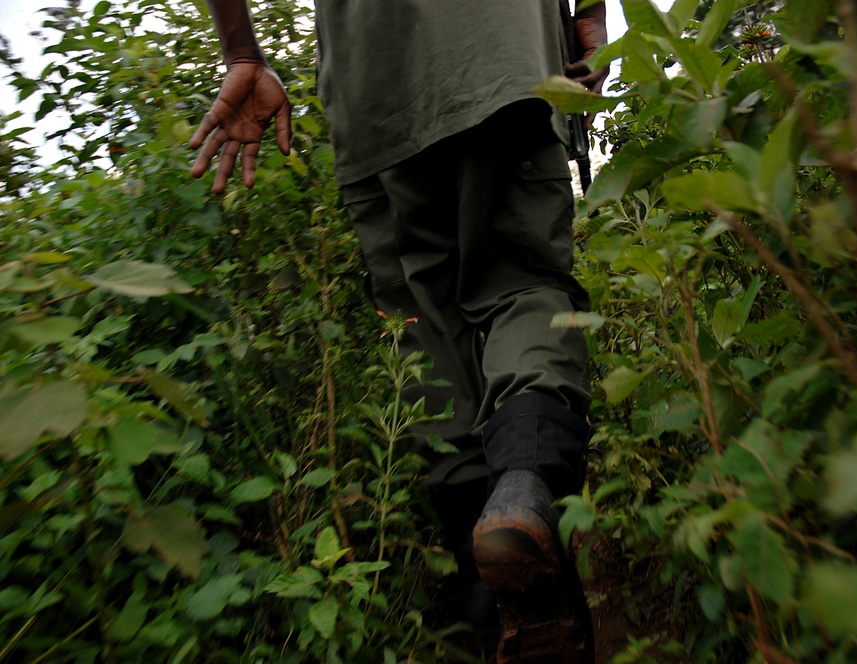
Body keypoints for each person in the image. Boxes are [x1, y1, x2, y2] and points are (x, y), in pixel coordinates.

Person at [189, 2, 608, 661]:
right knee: (522, 285)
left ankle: (483, 599)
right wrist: (589, 18)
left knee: (423, 332)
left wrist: (244, 54)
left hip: (372, 86)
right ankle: (525, 487)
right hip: (502, 54)